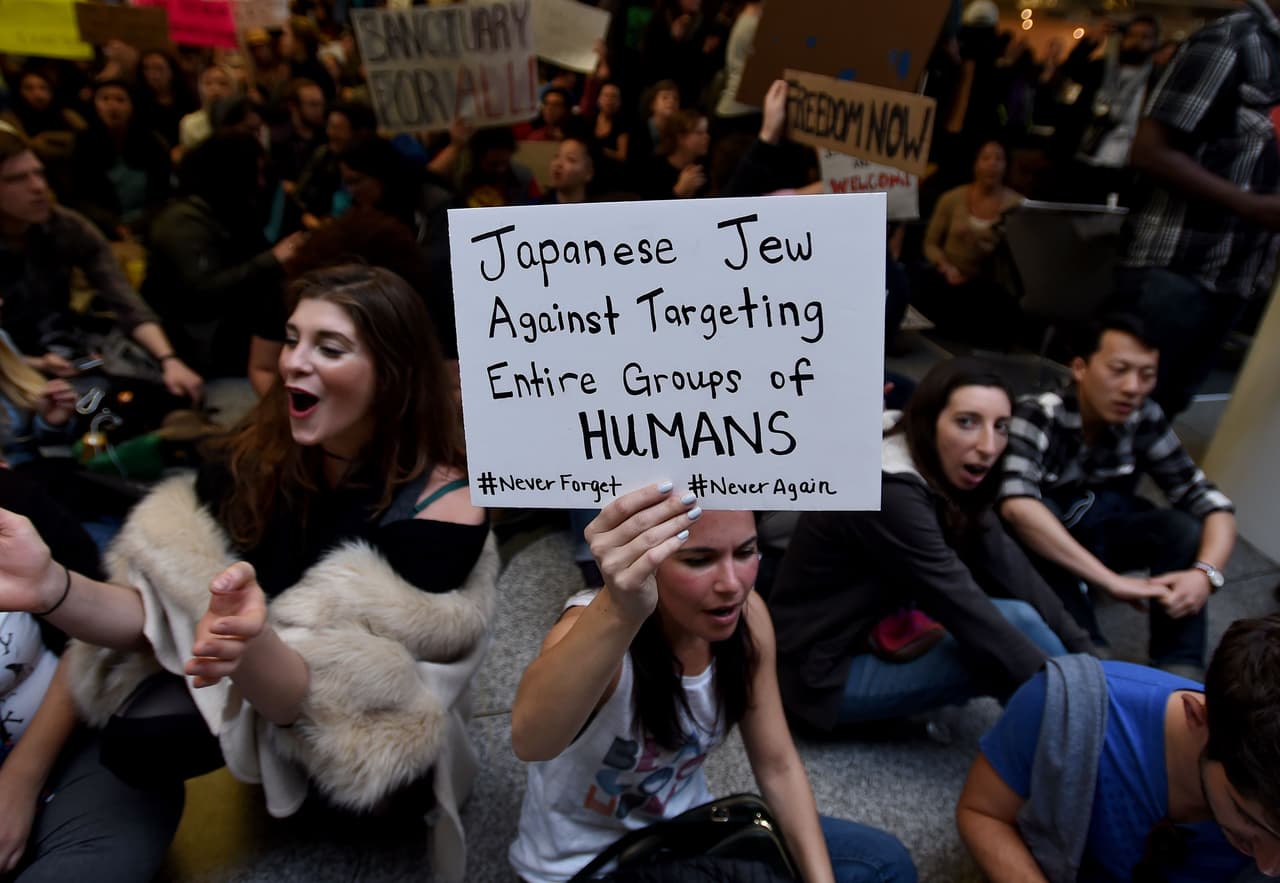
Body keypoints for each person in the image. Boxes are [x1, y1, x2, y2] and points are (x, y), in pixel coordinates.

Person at [0, 264, 497, 881]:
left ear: (393, 375)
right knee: (136, 737)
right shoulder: (260, 456)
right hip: (263, 672)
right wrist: (55, 588)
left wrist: (252, 641)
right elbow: (155, 611)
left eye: (330, 347)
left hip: (371, 729)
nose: (292, 362)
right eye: (293, 338)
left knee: (371, 794)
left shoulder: (441, 511)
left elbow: (331, 704)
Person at [508, 486, 918, 883]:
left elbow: (778, 766)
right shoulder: (594, 628)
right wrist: (620, 612)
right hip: (587, 863)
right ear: (647, 560)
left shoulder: (748, 617)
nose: (732, 584)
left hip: (690, 833)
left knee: (882, 863)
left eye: (744, 552)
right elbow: (531, 741)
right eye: (699, 560)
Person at [767, 359, 1095, 733]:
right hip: (820, 678)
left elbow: (1014, 571)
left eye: (1000, 427)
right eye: (967, 422)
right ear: (929, 419)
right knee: (1007, 652)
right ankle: (1093, 756)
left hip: (880, 635)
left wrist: (1101, 670)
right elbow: (966, 610)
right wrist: (1088, 702)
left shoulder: (934, 458)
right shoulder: (890, 492)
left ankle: (1084, 743)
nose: (989, 446)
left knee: (1024, 621)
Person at [998, 315, 1236, 680]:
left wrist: (1205, 575)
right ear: (1080, 368)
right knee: (1035, 516)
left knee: (1183, 528)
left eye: (1146, 375)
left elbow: (1208, 500)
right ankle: (1090, 650)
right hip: (1045, 551)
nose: (1132, 388)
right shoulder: (1039, 413)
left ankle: (1181, 668)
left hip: (1100, 533)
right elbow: (1017, 506)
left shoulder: (1144, 416)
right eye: (1119, 370)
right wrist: (1111, 582)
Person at [956, 614, 1280, 882]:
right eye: (1246, 817)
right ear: (1198, 717)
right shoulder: (1064, 708)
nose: (1268, 865)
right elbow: (982, 813)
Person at [1113, 0, 1280, 418]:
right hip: (1174, 270)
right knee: (1116, 413)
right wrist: (1251, 206)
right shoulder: (1230, 40)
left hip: (1237, 279)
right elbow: (1150, 152)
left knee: (1158, 419)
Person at [0, 128, 203, 402]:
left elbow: (123, 298)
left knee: (157, 385)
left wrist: (169, 360)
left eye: (38, 173)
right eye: (16, 179)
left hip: (60, 346)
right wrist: (34, 364)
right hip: (11, 366)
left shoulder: (65, 226)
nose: (38, 187)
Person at [141, 132, 305, 389]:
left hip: (222, 328)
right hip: (196, 336)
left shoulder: (229, 210)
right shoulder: (183, 220)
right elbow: (202, 292)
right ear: (234, 173)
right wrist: (272, 259)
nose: (261, 183)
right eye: (256, 173)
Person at [917, 140, 1024, 348]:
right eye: (986, 158)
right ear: (975, 164)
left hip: (989, 285)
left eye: (998, 159)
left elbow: (1023, 256)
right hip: (950, 278)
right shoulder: (951, 198)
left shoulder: (1017, 205)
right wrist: (946, 266)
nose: (992, 164)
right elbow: (930, 244)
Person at [68, 80, 172, 240]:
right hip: (100, 226)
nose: (112, 106)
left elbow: (162, 195)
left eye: (120, 100)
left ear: (132, 105)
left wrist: (138, 225)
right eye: (105, 99)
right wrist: (112, 224)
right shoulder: (83, 142)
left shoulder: (152, 143)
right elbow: (78, 197)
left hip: (148, 225)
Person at [134, 50, 198, 153]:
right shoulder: (137, 101)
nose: (153, 75)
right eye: (147, 69)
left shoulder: (187, 99)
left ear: (172, 71)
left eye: (159, 69)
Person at [640, 108, 709, 199]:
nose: (707, 137)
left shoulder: (705, 166)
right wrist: (678, 191)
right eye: (699, 133)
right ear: (681, 137)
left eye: (706, 132)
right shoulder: (654, 168)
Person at [178, 64, 236, 152]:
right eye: (208, 83)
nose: (215, 89)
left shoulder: (240, 122)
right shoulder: (189, 123)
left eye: (223, 83)